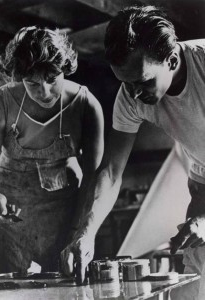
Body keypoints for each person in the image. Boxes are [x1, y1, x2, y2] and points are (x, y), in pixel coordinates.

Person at [61, 5, 205, 299]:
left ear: (172, 59)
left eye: (143, 82)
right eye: (126, 83)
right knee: (198, 277)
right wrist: (85, 234)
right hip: (202, 180)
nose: (135, 94)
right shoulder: (130, 94)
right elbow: (112, 172)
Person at [0, 26, 104, 274]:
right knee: (13, 292)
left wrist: (82, 231)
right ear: (19, 78)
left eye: (52, 79)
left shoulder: (86, 105)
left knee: (65, 290)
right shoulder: (0, 103)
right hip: (11, 219)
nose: (43, 92)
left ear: (64, 68)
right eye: (31, 83)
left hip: (64, 218)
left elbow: (94, 178)